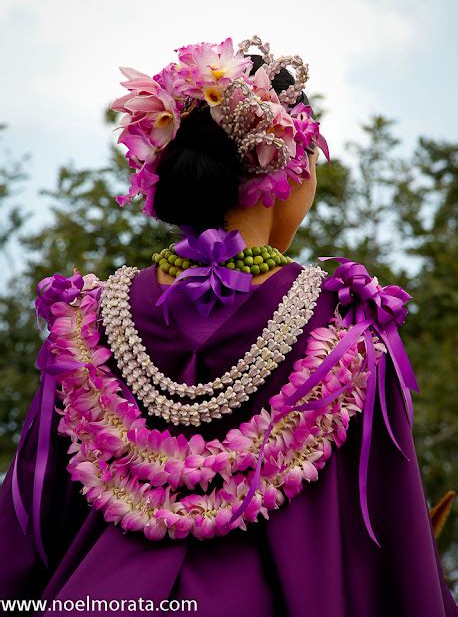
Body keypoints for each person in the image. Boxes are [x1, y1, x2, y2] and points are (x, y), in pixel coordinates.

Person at [0, 35, 456, 617]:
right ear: (285, 169)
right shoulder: (346, 321)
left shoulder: (87, 318)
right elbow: (395, 546)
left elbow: (31, 520)